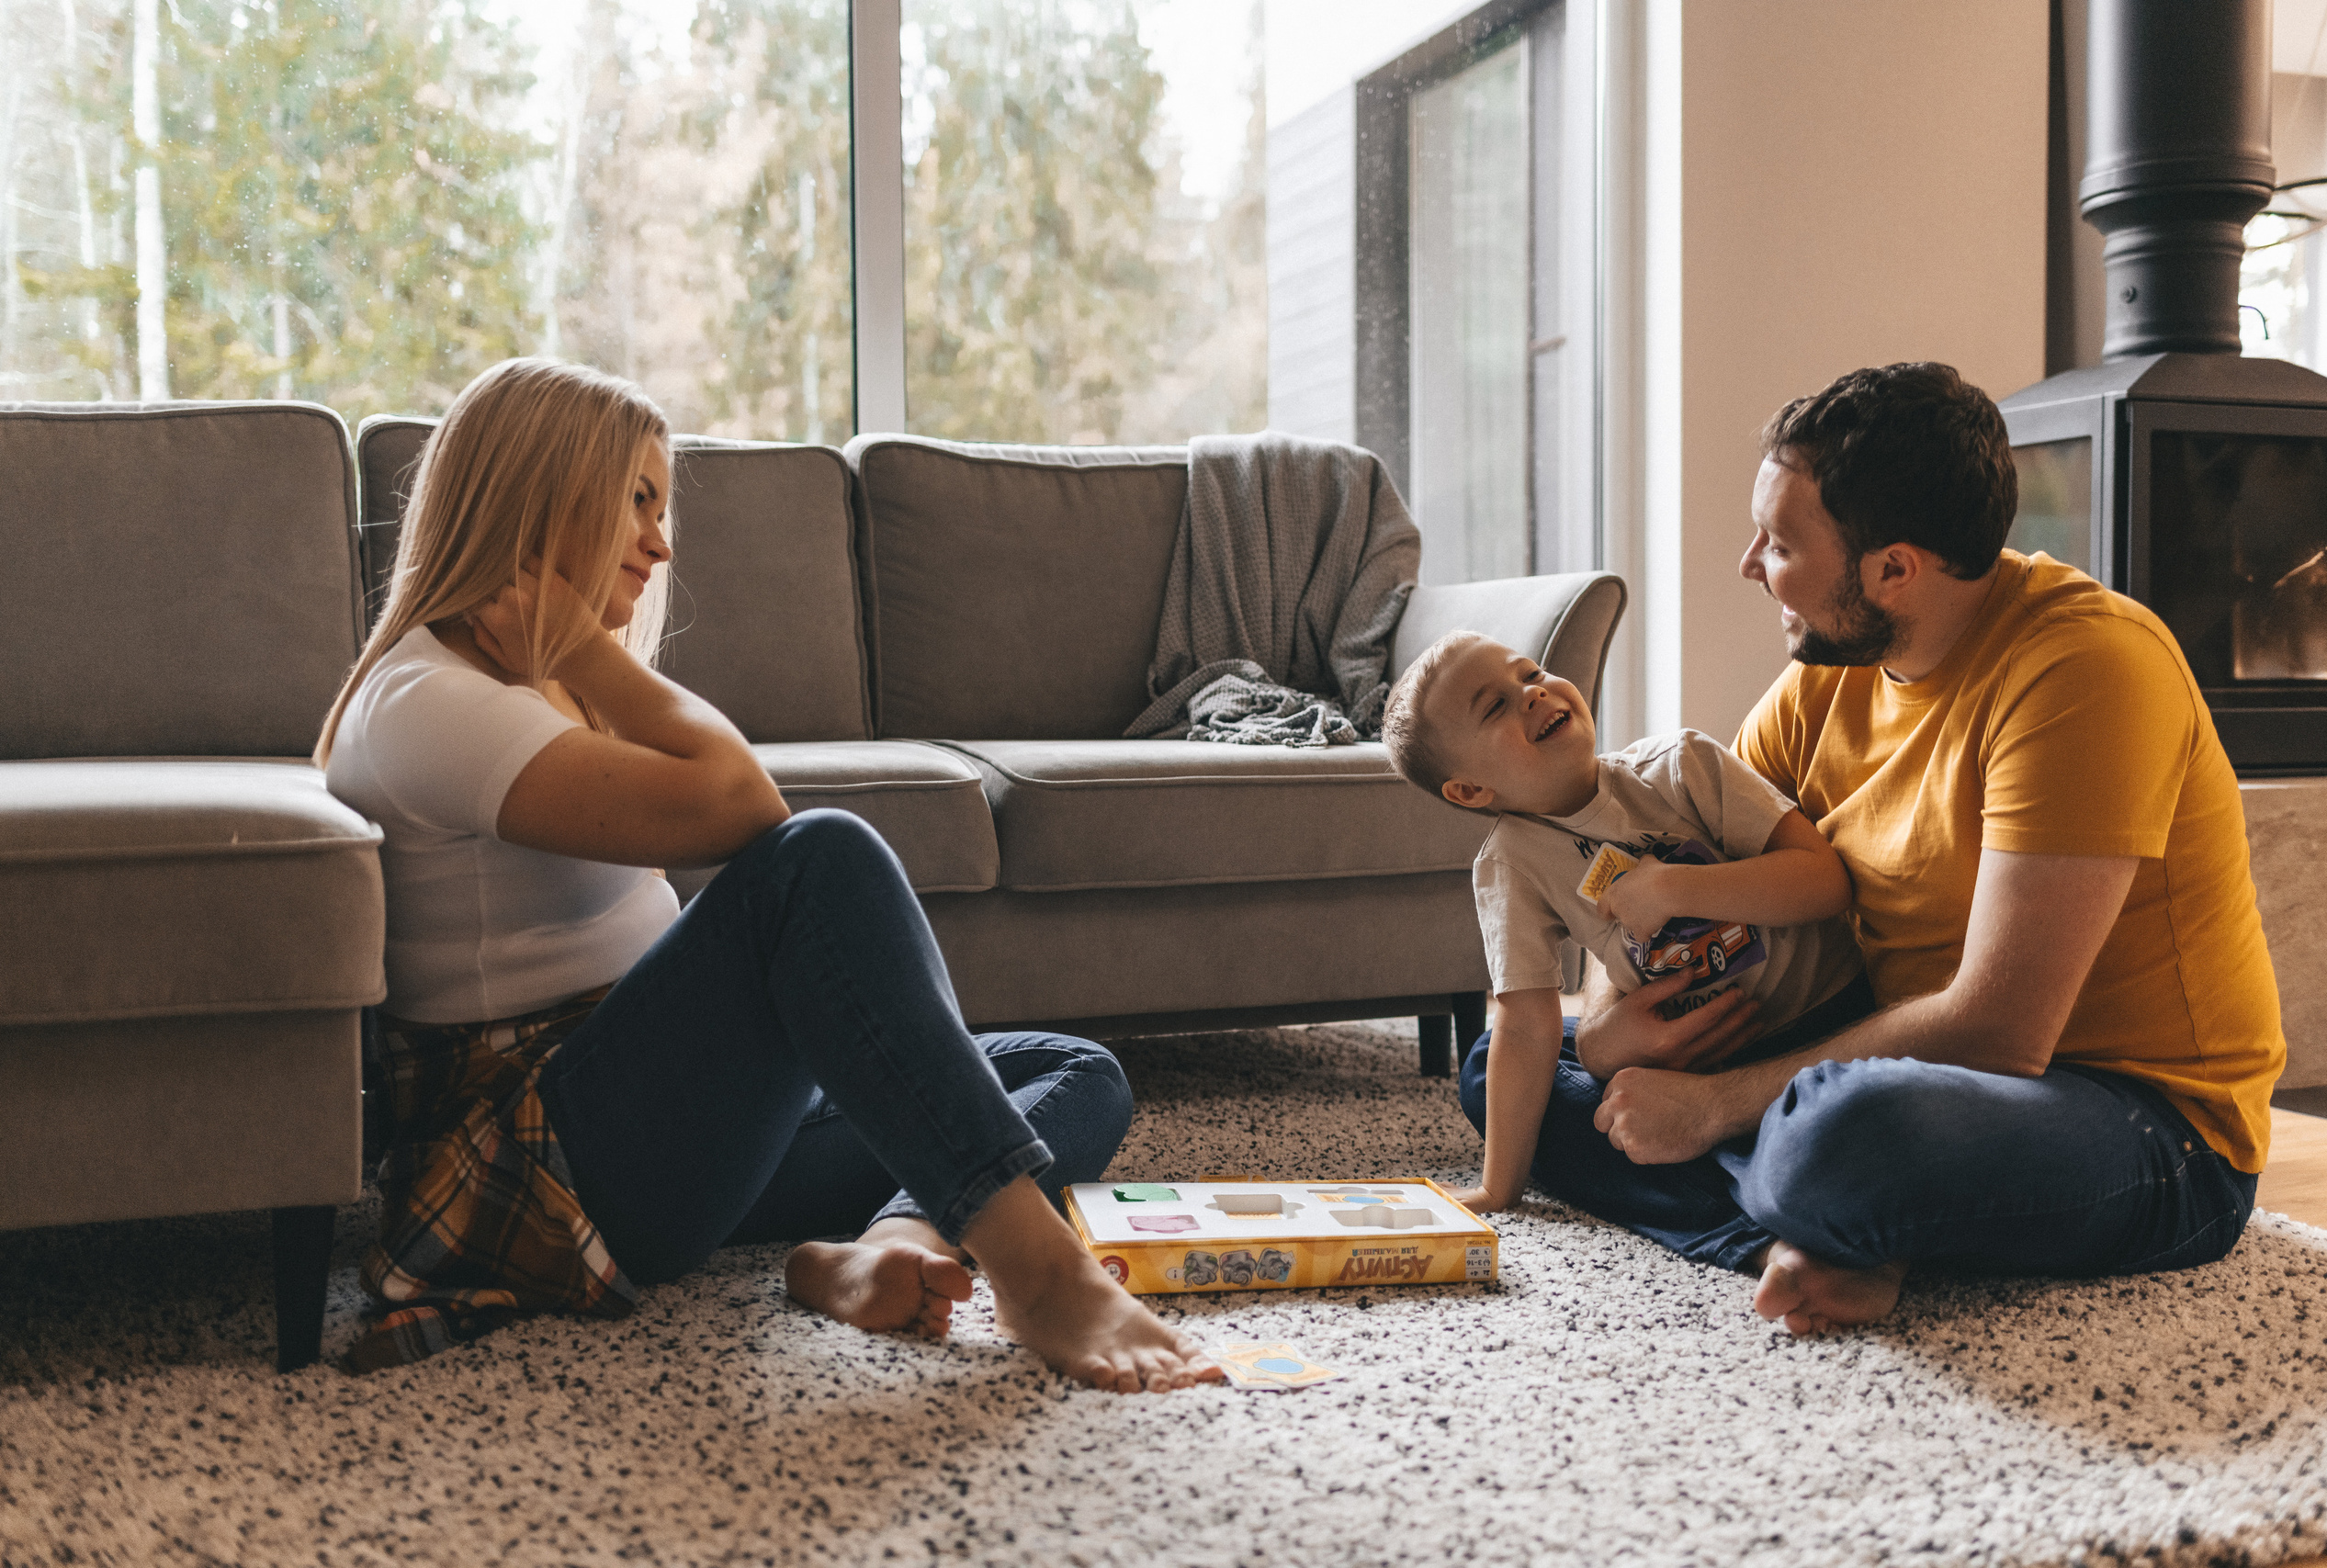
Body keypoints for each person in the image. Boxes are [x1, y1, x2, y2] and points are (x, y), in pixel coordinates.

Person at [316, 356, 1218, 1391]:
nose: (660, 543)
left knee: (1074, 1075)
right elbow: (749, 814)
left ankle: (887, 1245)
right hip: (549, 1165)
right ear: (543, 493)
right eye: (637, 501)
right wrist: (586, 649)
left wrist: (572, 655)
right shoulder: (431, 701)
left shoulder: (525, 688)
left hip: (672, 1128)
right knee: (817, 861)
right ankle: (1038, 1274)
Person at [1540, 360, 2283, 1334]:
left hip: (2138, 1123)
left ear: (1894, 568)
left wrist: (1715, 1105)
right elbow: (1675, 859)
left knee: (1842, 1138)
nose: (1750, 562)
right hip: (1897, 1053)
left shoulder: (2085, 669)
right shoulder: (1832, 663)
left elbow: (2003, 1030)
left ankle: (1817, 1198)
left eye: (1780, 541)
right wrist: (1609, 1027)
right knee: (1514, 1067)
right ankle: (1812, 1236)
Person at [1381, 631, 1871, 1255]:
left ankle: (1744, 1184)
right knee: (1487, 1063)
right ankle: (1751, 1230)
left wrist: (1675, 888)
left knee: (1846, 1129)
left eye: (1530, 674)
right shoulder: (1509, 865)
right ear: (1471, 790)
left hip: (1824, 1033)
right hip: (1690, 1066)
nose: (1532, 694)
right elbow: (1527, 1026)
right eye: (1496, 706)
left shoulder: (1683, 764)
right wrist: (1496, 1190)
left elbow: (1826, 883)